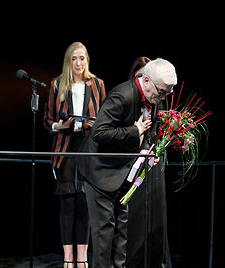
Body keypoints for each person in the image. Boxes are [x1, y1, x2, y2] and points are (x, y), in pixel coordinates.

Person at [77, 58, 177, 267]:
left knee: (121, 231)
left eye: (168, 93)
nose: (163, 97)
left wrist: (148, 149)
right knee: (104, 234)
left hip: (123, 172)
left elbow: (150, 127)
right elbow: (99, 132)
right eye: (162, 92)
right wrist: (135, 132)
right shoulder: (122, 95)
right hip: (101, 171)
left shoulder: (153, 95)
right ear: (146, 80)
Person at [43, 41, 106, 268]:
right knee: (68, 203)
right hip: (66, 147)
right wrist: (59, 126)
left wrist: (93, 123)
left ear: (87, 60)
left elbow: (104, 118)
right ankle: (68, 259)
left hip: (88, 147)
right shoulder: (57, 84)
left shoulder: (97, 84)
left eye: (82, 58)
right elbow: (47, 120)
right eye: (74, 59)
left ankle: (83, 259)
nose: (79, 63)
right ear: (69, 61)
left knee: (85, 201)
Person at [126, 56, 172, 268]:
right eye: (141, 77)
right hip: (130, 163)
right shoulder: (128, 99)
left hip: (151, 162)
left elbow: (156, 130)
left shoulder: (156, 102)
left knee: (153, 213)